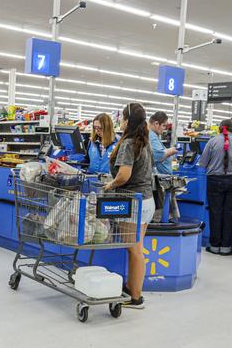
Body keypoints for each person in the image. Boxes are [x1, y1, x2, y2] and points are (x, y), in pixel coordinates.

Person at [104, 103, 156, 309]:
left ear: (126, 121)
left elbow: (124, 175)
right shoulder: (145, 142)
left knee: (134, 250)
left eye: (122, 118)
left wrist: (110, 184)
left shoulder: (129, 144)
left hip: (133, 202)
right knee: (137, 248)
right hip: (147, 201)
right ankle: (133, 289)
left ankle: (135, 296)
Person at [199, 119, 232, 255]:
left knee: (215, 212)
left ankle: (214, 246)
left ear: (219, 128)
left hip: (214, 180)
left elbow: (202, 163)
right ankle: (226, 247)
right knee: (230, 213)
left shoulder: (212, 142)